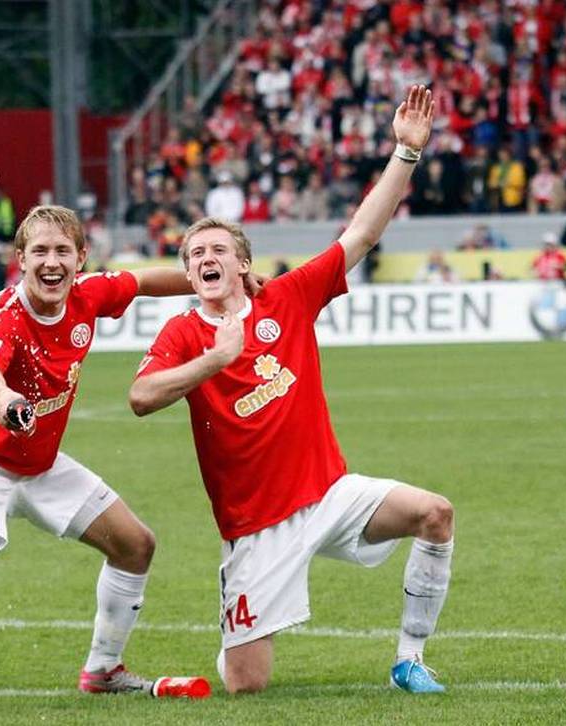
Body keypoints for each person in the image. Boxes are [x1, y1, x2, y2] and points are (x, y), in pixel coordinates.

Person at [128, 86, 456, 696]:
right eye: (195, 252)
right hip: (256, 526)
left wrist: (405, 154)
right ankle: (234, 623)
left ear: (243, 262)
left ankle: (410, 660)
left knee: (434, 512)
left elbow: (359, 236)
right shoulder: (182, 331)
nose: (205, 257)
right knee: (246, 686)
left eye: (217, 249)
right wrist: (213, 362)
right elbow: (142, 396)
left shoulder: (287, 298)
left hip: (330, 492)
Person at [0, 205, 215, 715]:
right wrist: (5, 400)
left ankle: (103, 670)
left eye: (62, 251)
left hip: (38, 464)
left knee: (135, 545)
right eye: (39, 251)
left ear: (81, 259)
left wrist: (219, 283)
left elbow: (146, 281)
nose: (51, 262)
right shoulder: (3, 315)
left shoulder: (89, 295)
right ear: (20, 259)